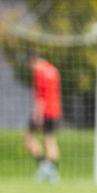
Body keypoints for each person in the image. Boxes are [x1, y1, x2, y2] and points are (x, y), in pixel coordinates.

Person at [23, 53, 61, 183]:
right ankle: (52, 172)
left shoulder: (39, 71)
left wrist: (37, 114)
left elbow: (41, 95)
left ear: (32, 62)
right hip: (55, 110)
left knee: (28, 138)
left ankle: (46, 167)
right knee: (50, 139)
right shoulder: (53, 70)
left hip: (44, 111)